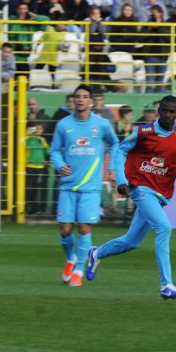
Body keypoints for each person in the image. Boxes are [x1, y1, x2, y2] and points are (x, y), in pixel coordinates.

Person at [86, 95, 176, 300]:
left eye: (172, 112)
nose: (167, 114)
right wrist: (121, 179)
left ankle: (96, 253)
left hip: (161, 193)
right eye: (164, 110)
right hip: (140, 188)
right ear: (159, 111)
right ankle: (167, 285)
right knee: (164, 227)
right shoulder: (144, 132)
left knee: (131, 242)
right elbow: (120, 151)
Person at [49, 84, 118, 287]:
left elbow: (115, 144)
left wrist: (112, 167)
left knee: (84, 227)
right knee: (65, 229)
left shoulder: (102, 124)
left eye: (85, 96)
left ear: (90, 100)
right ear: (73, 100)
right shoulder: (63, 125)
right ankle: (70, 258)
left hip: (90, 186)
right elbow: (54, 151)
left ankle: (79, 268)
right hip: (68, 185)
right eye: (77, 96)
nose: (80, 99)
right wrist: (60, 165)